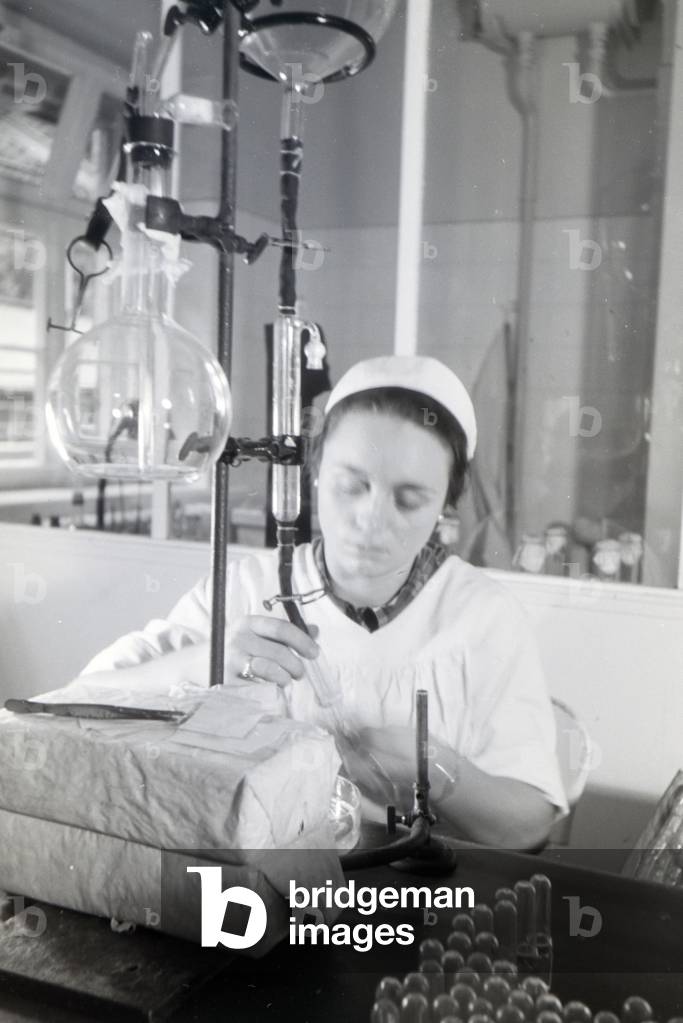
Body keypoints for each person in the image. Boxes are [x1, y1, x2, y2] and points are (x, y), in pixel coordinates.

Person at [79, 356, 568, 849]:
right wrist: (205, 662)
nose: (371, 518)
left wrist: (438, 772)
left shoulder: (483, 617)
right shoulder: (247, 589)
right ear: (314, 473)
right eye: (351, 485)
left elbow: (528, 826)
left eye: (409, 499)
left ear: (446, 502)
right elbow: (76, 701)